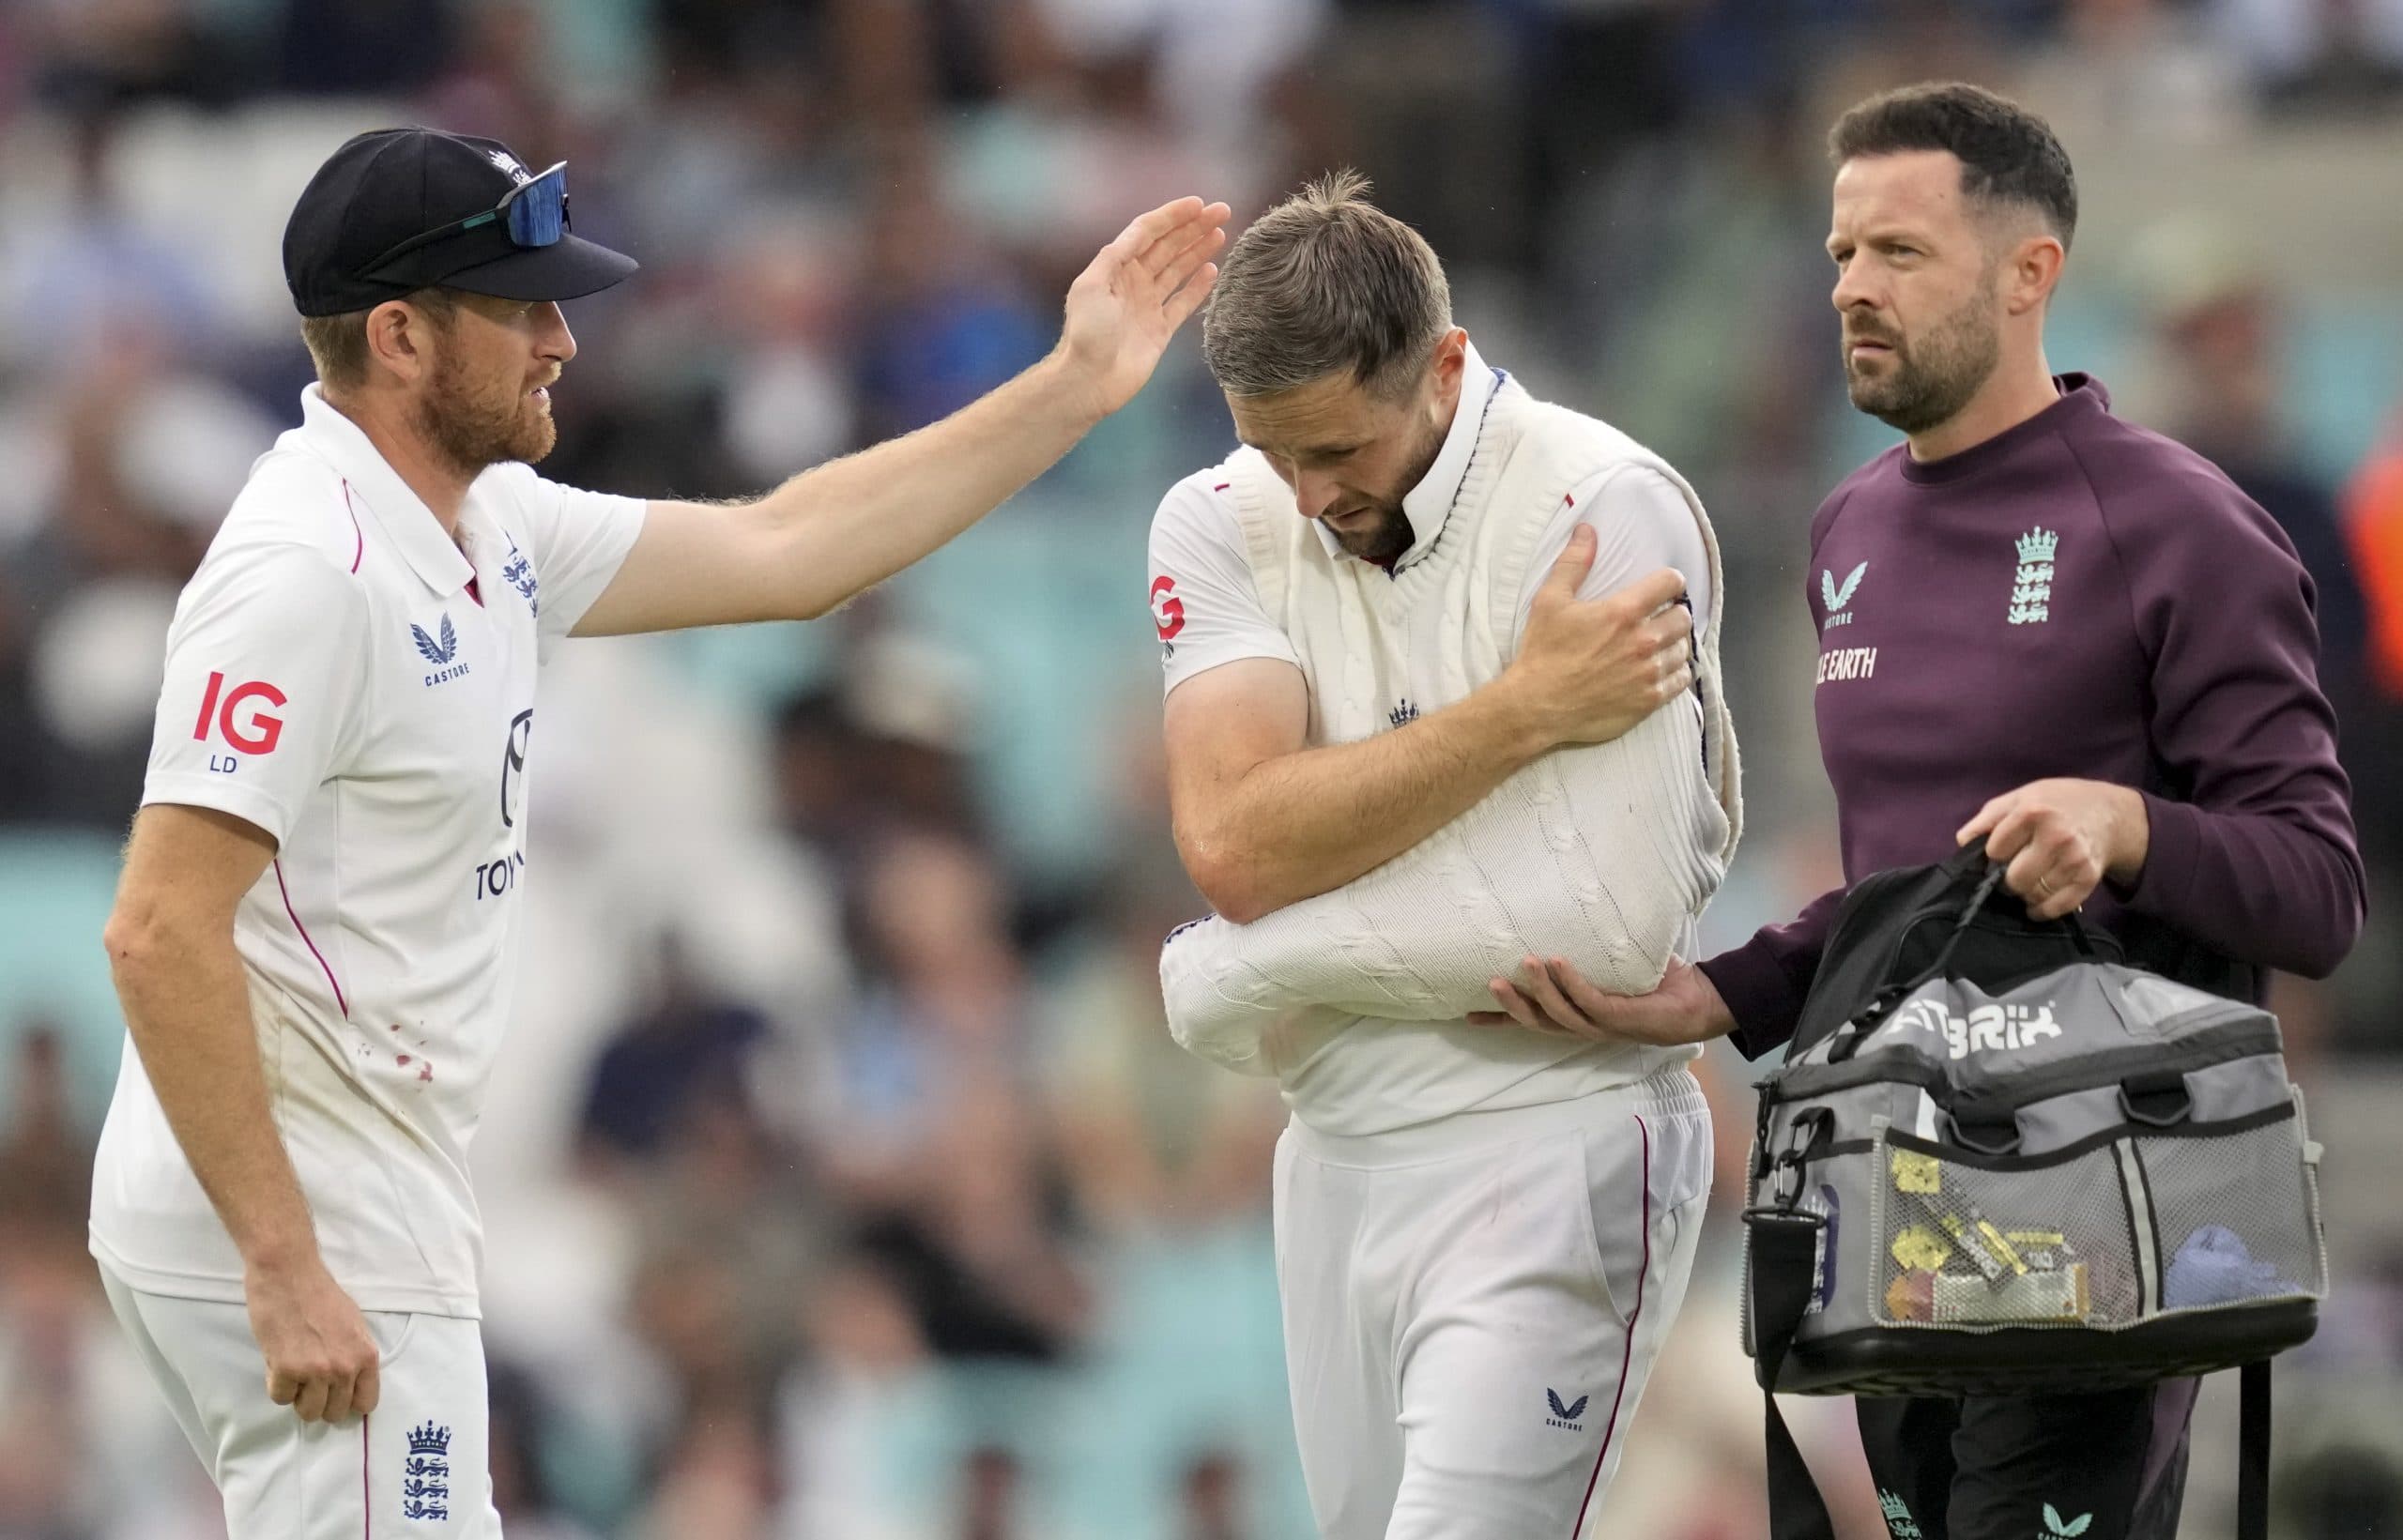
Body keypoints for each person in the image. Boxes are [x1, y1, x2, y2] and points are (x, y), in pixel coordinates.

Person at [90, 125, 1224, 1538]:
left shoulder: (476, 519)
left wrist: (1071, 389)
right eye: (520, 309)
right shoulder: (308, 572)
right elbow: (154, 927)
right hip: (314, 1204)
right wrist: (281, 1256)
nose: (562, 341)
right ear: (399, 337)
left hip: (333, 1188)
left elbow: (785, 549)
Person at [1480, 84, 2365, 1540]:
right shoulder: (1849, 529)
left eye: (1898, 253)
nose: (1851, 290)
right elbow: (1907, 891)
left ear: (2032, 275)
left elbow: (2320, 888)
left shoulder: (2182, 525)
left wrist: (2126, 823)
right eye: (1839, 255)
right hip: (1891, 1201)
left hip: (2099, 1211)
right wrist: (1718, 990)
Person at [1149, 172, 1740, 1540]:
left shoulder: (1605, 502)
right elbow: (1235, 847)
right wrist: (1523, 715)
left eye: (1337, 450)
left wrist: (1252, 970)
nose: (1306, 494)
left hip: (1559, 1138)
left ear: (1446, 367)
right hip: (1336, 1148)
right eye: (1272, 449)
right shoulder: (1221, 513)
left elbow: (1605, 926)